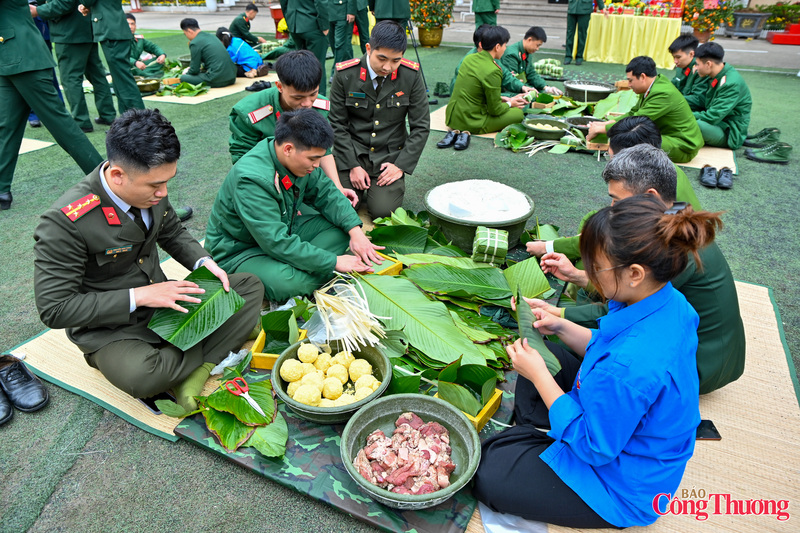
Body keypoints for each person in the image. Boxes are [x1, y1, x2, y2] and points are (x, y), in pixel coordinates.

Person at [475, 193, 715, 527]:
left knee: (489, 468)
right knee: (553, 353)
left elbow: (595, 448)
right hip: (617, 414)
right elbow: (605, 343)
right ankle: (544, 431)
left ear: (634, 273)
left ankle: (542, 438)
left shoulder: (627, 369)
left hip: (621, 485)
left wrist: (540, 376)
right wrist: (559, 325)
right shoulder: (669, 302)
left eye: (596, 266)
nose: (587, 271)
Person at [33, 109, 264, 411]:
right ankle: (212, 348)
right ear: (117, 175)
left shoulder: (149, 188)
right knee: (143, 376)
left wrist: (203, 263)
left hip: (167, 305)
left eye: (168, 182)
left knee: (247, 288)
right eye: (155, 185)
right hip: (112, 329)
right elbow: (55, 309)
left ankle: (195, 365)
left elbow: (171, 231)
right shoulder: (65, 221)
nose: (164, 193)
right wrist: (140, 296)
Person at [531, 144, 746, 395]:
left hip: (703, 364)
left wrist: (558, 314)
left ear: (651, 196)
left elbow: (628, 306)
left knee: (563, 350)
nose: (613, 209)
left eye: (617, 201)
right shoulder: (673, 216)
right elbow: (626, 288)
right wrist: (577, 277)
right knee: (578, 309)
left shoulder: (670, 245)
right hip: (686, 340)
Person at [206, 109, 383, 303]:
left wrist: (355, 232)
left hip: (287, 228)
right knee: (286, 283)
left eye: (319, 158)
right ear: (288, 149)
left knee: (343, 231)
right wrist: (334, 261)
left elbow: (328, 194)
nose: (317, 165)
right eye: (313, 159)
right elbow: (275, 242)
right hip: (241, 250)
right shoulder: (252, 179)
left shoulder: (300, 162)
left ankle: (308, 269)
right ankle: (312, 270)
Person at [527, 116, 702, 261]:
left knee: (588, 257)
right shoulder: (666, 170)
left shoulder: (655, 207)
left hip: (662, 256)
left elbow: (610, 236)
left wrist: (547, 247)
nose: (611, 164)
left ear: (631, 159)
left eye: (612, 158)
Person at [1, 0, 103, 211]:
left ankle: (114, 185)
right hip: (6, 57)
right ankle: (1, 190)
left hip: (24, 56)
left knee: (62, 127)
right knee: (6, 127)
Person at [228, 51, 357, 206]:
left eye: (313, 94)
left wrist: (337, 187)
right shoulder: (250, 113)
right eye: (298, 98)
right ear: (280, 86)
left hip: (305, 175)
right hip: (266, 179)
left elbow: (323, 151)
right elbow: (244, 161)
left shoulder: (321, 105)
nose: (307, 103)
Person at [329, 21, 430, 218]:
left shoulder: (410, 76)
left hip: (389, 157)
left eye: (395, 60)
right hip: (354, 153)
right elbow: (337, 124)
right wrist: (352, 165)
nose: (387, 66)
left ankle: (378, 190)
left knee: (382, 212)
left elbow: (421, 127)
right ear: (368, 48)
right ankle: (358, 181)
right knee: (343, 208)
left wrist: (400, 166)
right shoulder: (346, 74)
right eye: (382, 58)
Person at [587, 56, 704, 164]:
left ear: (643, 77)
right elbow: (633, 114)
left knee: (635, 137)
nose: (629, 84)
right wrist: (606, 124)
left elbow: (637, 121)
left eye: (631, 80)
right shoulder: (654, 85)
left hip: (682, 146)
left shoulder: (662, 93)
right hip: (669, 137)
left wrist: (603, 129)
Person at [32, 0, 117, 134]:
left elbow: (64, 3)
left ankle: (81, 121)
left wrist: (38, 10)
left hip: (69, 33)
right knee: (97, 75)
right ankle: (108, 115)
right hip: (86, 30)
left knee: (71, 79)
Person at [445, 25, 526, 136]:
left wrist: (501, 98)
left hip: (453, 118)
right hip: (471, 122)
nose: (505, 49)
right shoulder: (493, 69)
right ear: (497, 47)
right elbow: (495, 110)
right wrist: (510, 103)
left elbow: (474, 90)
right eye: (505, 45)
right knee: (518, 114)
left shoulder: (469, 58)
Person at [77, 0, 145, 113]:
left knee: (123, 80)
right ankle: (128, 119)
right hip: (113, 28)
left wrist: (85, 4)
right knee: (119, 80)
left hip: (111, 31)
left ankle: (141, 120)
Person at [692, 42, 752, 151]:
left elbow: (712, 117)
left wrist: (684, 115)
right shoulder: (717, 73)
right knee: (690, 116)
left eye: (697, 64)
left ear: (709, 64)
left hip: (730, 131)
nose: (695, 68)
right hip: (720, 123)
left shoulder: (731, 83)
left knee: (694, 124)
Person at [450, 24, 533, 98]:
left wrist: (522, 87)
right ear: (481, 44)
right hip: (470, 100)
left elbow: (505, 74)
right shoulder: (472, 61)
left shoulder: (490, 55)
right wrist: (509, 102)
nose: (505, 48)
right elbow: (488, 100)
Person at [280, 0, 330, 95]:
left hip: (295, 24)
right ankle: (319, 98)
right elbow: (321, 3)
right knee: (318, 64)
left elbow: (283, 3)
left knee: (300, 63)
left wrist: (289, 21)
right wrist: (325, 26)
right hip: (312, 24)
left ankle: (300, 94)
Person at [500, 27, 563, 97]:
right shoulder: (512, 54)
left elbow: (531, 73)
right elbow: (512, 81)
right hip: (511, 88)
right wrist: (529, 89)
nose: (537, 49)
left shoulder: (527, 51)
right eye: (537, 45)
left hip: (521, 85)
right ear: (529, 40)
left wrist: (546, 87)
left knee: (542, 92)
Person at [179, 18, 237, 88]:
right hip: (232, 77)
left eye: (185, 34)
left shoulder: (195, 42)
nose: (186, 37)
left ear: (189, 31)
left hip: (218, 79)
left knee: (183, 78)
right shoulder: (211, 36)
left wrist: (186, 73)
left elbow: (194, 70)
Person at [668, 32, 707, 111]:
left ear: (691, 54)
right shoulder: (680, 67)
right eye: (673, 57)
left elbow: (698, 99)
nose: (675, 61)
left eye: (678, 57)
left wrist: (671, 100)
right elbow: (673, 85)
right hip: (680, 105)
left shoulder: (700, 70)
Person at [565, 0, 605, 65]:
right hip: (572, 8)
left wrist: (602, 7)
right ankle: (568, 56)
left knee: (582, 35)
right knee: (570, 34)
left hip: (585, 9)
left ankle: (579, 56)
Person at [127, 14, 167, 78]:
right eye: (127, 24)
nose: (130, 27)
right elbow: (121, 56)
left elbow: (152, 47)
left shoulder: (138, 38)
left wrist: (162, 54)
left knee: (159, 61)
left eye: (132, 24)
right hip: (126, 67)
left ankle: (144, 72)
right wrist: (135, 62)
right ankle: (146, 74)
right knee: (140, 72)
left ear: (135, 26)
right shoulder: (118, 40)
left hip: (138, 65)